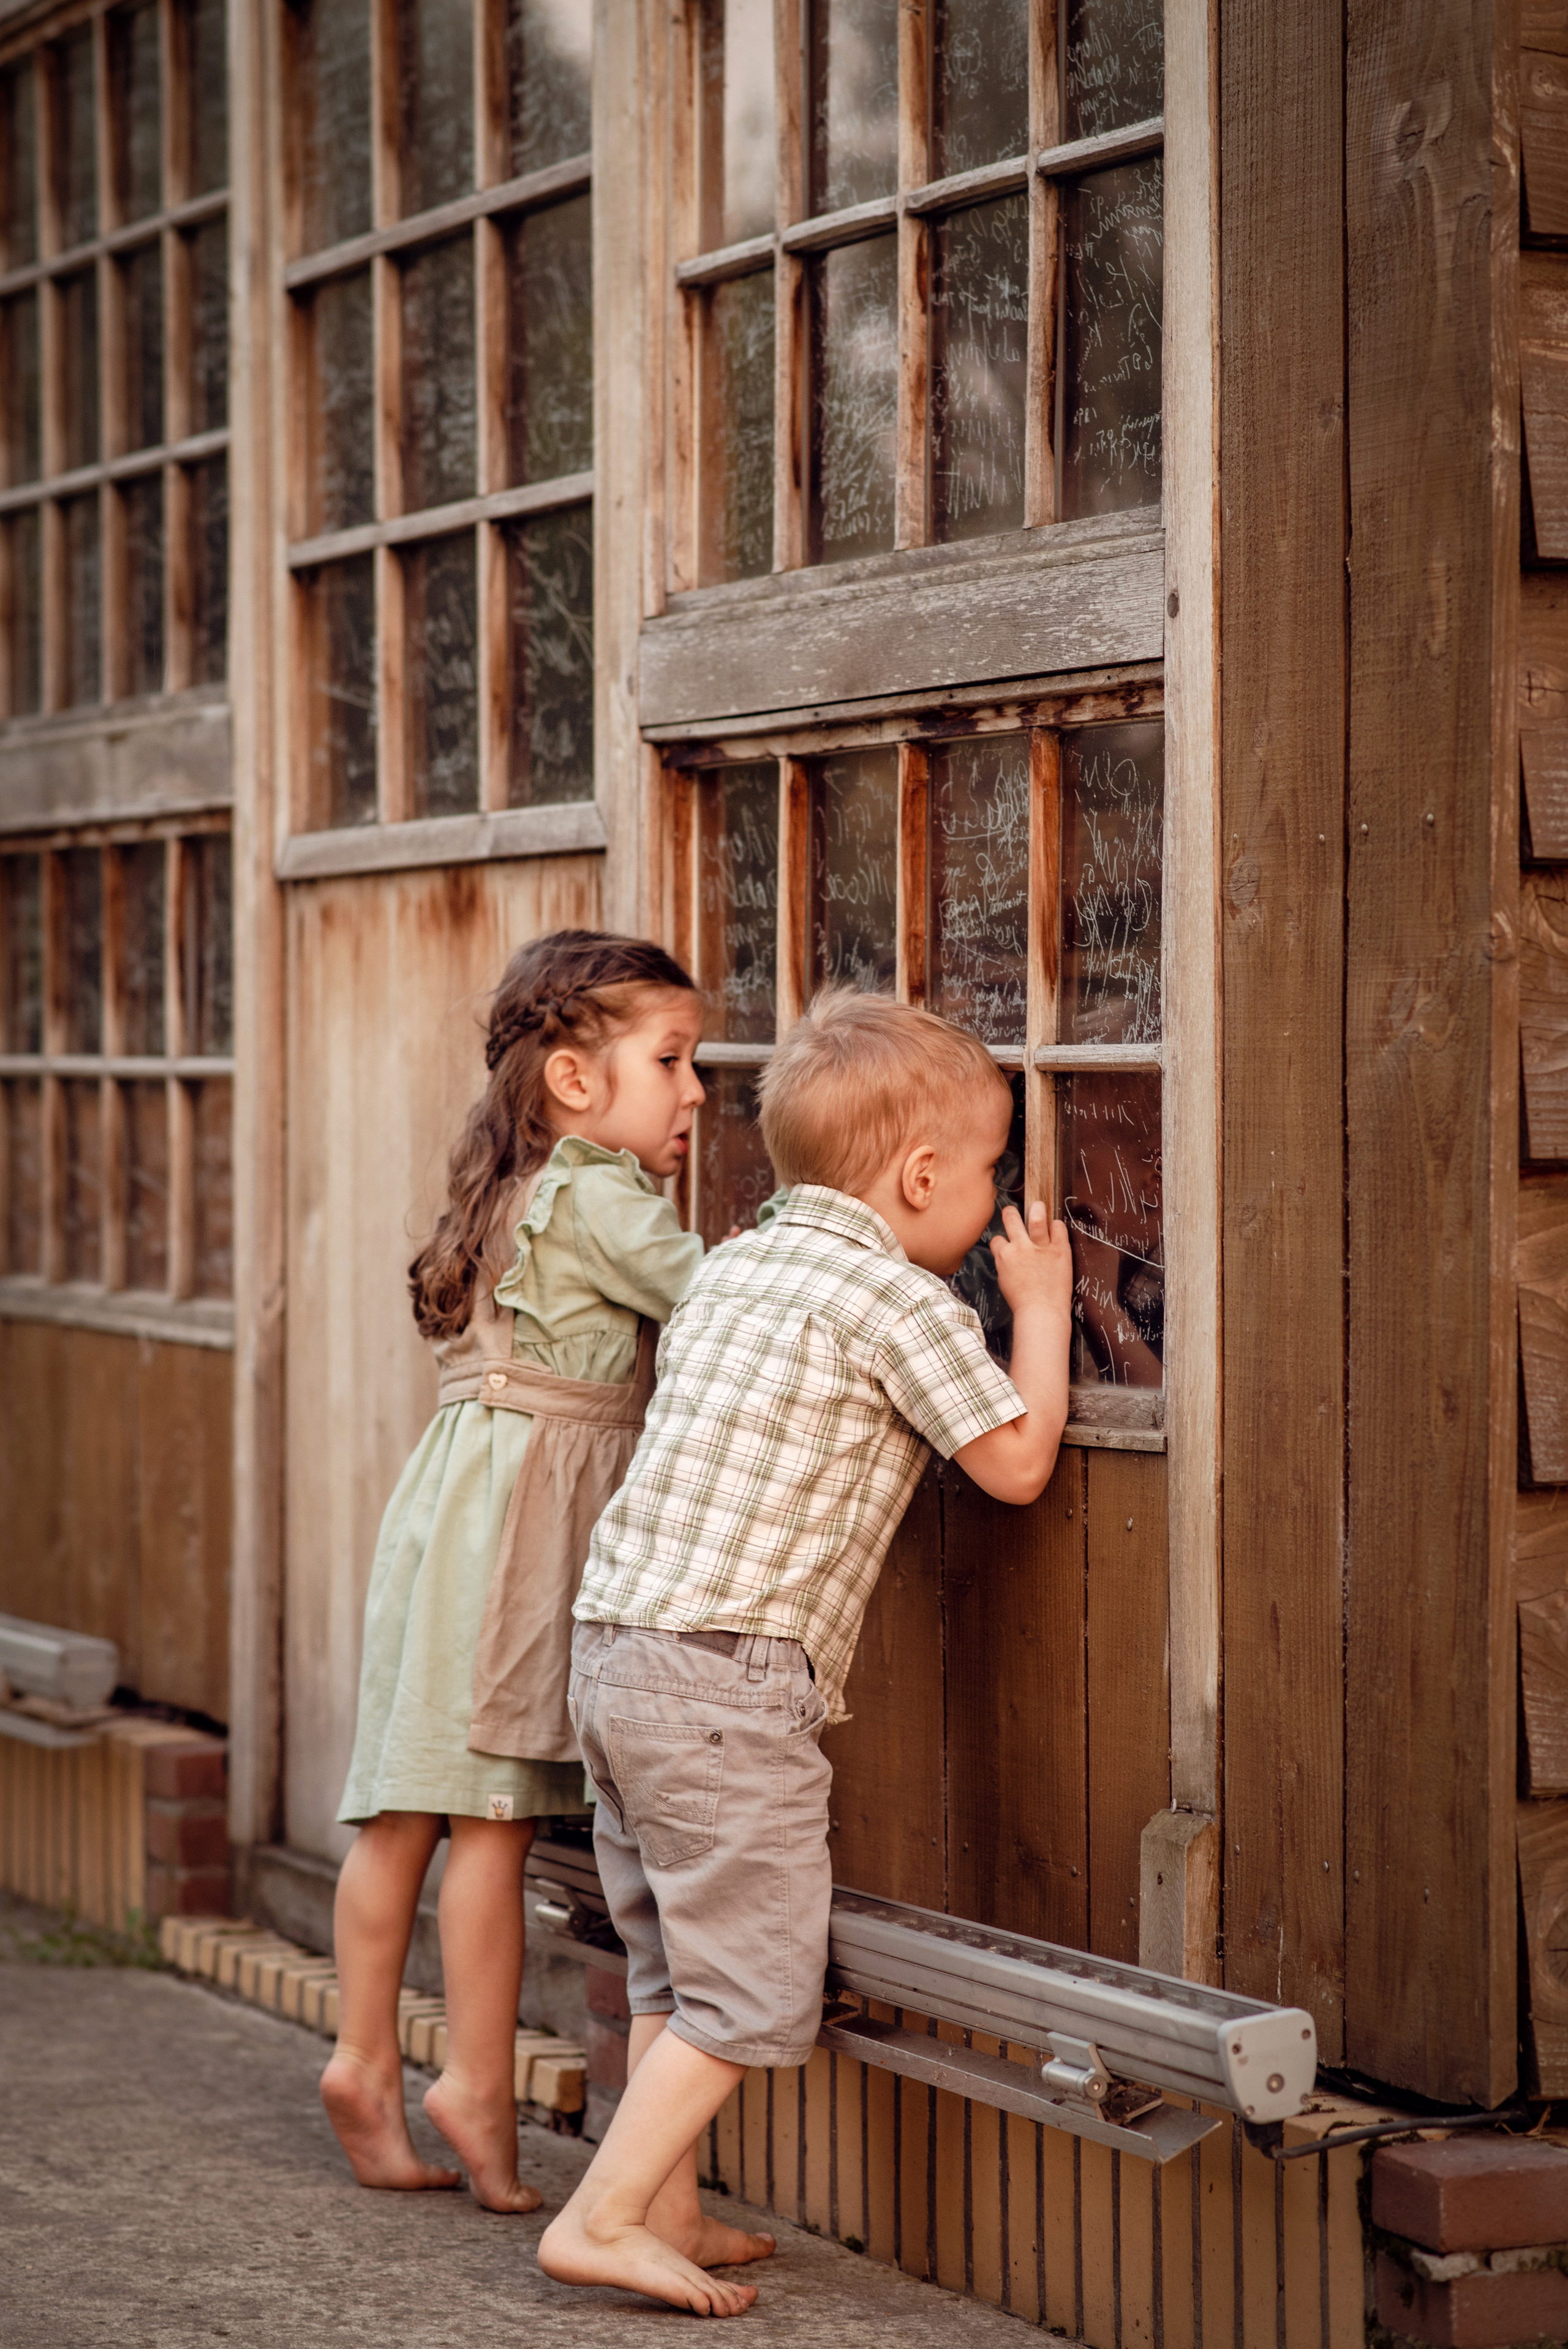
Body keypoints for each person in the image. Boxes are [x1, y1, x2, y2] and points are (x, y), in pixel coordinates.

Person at [538, 989, 1076, 2315]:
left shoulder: (728, 1265)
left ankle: (664, 2201)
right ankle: (601, 2214)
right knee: (750, 1982)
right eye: (994, 1167)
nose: (999, 1192)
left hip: (611, 1654)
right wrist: (1043, 1307)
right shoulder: (899, 1303)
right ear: (921, 1176)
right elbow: (1013, 1465)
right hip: (724, 1681)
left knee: (668, 1959)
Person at [320, 929, 713, 2217]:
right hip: (514, 1539)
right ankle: (472, 2089)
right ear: (573, 1083)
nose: (699, 1093)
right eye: (674, 1060)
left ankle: (363, 2059)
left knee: (399, 1811)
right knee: (488, 1819)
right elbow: (716, 1305)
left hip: (446, 1511)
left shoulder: (506, 1188)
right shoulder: (600, 1195)